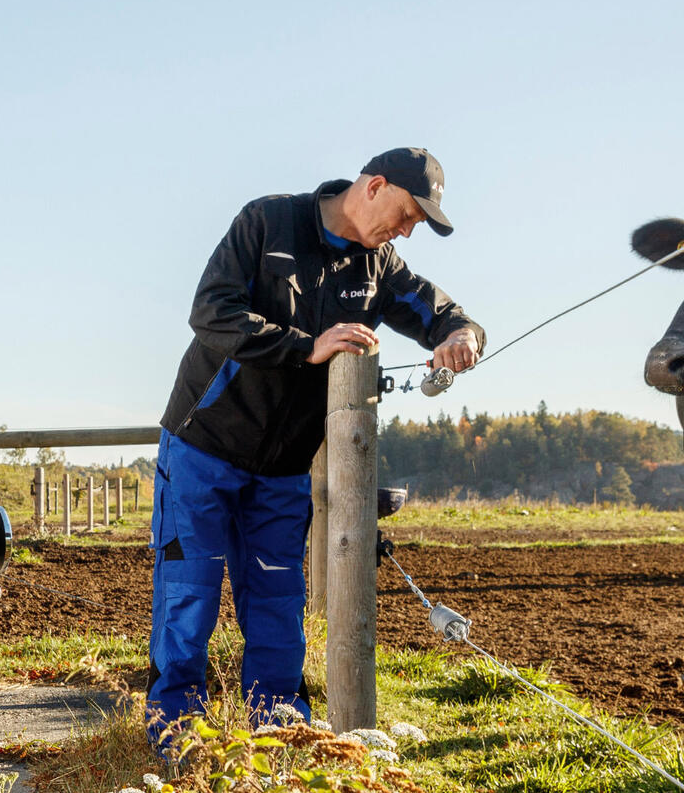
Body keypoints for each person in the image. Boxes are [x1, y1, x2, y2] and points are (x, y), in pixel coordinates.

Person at [148, 147, 485, 750]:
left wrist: (462, 334)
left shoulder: (379, 267)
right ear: (376, 187)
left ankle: (279, 728)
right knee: (189, 592)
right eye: (408, 214)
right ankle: (176, 730)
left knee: (278, 596)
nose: (408, 230)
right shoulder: (268, 222)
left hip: (283, 469)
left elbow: (439, 312)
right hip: (203, 446)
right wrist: (307, 345)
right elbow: (212, 312)